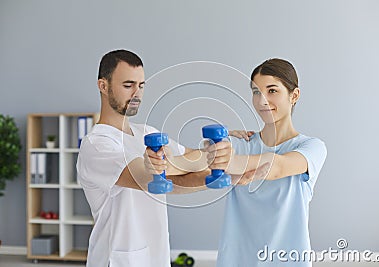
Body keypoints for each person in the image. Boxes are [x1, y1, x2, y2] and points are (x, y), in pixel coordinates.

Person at [76, 49, 264, 267]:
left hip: (156, 256)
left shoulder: (145, 132)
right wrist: (209, 155)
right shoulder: (97, 145)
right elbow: (146, 176)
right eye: (128, 85)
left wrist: (221, 166)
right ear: (103, 86)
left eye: (141, 85)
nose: (137, 93)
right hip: (117, 260)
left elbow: (175, 180)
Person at [213, 58, 328, 266]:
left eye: (272, 91)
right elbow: (196, 160)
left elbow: (277, 167)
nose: (262, 100)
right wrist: (212, 147)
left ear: (294, 95)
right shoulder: (241, 143)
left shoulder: (312, 148)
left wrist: (219, 159)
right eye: (256, 92)